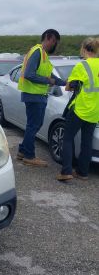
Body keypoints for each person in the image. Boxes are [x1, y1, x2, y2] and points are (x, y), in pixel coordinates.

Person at [17, 29, 67, 166]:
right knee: (34, 125)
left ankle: (22, 151)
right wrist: (47, 81)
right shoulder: (37, 52)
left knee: (33, 125)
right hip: (34, 95)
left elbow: (51, 76)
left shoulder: (43, 55)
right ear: (48, 38)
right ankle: (29, 156)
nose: (54, 45)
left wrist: (65, 83)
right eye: (54, 42)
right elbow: (29, 74)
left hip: (37, 95)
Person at [57, 37, 99, 181]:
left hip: (80, 109)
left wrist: (72, 83)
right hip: (95, 111)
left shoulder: (83, 65)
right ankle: (83, 172)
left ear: (84, 48)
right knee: (87, 142)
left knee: (68, 139)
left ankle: (66, 171)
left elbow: (68, 86)